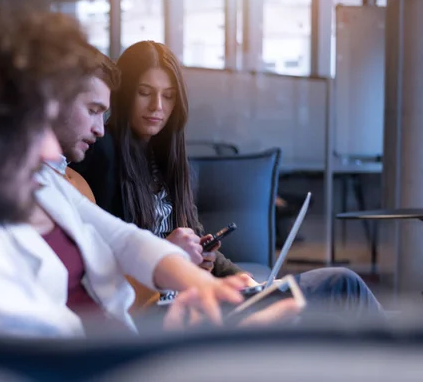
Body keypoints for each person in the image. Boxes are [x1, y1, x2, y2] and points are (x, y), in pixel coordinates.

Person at [0, 0, 298, 338]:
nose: (52, 154)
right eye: (34, 124)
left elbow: (119, 237)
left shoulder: (10, 191)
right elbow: (63, 357)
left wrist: (198, 285)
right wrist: (201, 344)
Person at [70, 40, 385, 321]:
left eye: (168, 97)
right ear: (124, 95)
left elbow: (194, 235)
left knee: (333, 293)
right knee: (341, 285)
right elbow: (106, 263)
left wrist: (237, 275)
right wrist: (169, 254)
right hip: (162, 310)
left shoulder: (165, 158)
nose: (158, 108)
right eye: (145, 93)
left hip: (190, 296)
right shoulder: (102, 153)